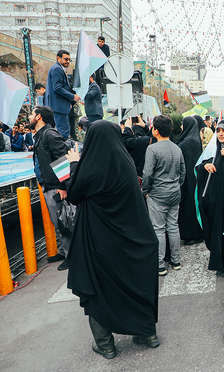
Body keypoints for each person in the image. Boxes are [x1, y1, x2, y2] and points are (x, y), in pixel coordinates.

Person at [65, 120, 160, 359]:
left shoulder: (90, 166)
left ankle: (105, 344)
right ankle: (147, 333)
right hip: (131, 238)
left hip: (98, 241)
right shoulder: (126, 162)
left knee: (97, 287)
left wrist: (74, 164)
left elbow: (74, 194)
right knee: (134, 282)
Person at [28, 106, 73, 269]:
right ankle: (63, 251)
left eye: (32, 114)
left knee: (61, 222)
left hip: (55, 186)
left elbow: (62, 160)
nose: (29, 117)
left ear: (39, 117)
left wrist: (62, 186)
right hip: (49, 185)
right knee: (57, 221)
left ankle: (71, 256)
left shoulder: (50, 135)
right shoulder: (42, 135)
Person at [142, 115, 186, 276]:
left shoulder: (152, 149)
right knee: (173, 226)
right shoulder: (177, 148)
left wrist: (145, 191)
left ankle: (160, 265)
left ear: (156, 131)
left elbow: (147, 174)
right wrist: (175, 185)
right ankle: (176, 261)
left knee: (159, 229)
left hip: (157, 194)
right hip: (175, 192)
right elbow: (183, 172)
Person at [196, 119, 224, 276]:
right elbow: (201, 166)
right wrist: (205, 166)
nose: (220, 134)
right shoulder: (214, 150)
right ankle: (220, 263)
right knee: (217, 229)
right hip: (216, 200)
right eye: (218, 131)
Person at [175, 116, 204, 244]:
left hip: (186, 179)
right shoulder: (196, 139)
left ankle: (189, 234)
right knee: (194, 204)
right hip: (195, 178)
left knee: (187, 206)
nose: (181, 127)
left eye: (183, 124)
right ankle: (197, 233)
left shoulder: (185, 143)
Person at [44, 50, 80, 139]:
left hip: (58, 106)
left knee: (63, 131)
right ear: (58, 58)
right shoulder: (57, 69)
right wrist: (72, 97)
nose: (67, 61)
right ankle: (63, 152)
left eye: (69, 60)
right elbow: (57, 88)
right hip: (58, 107)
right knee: (63, 132)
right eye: (65, 59)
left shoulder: (57, 68)